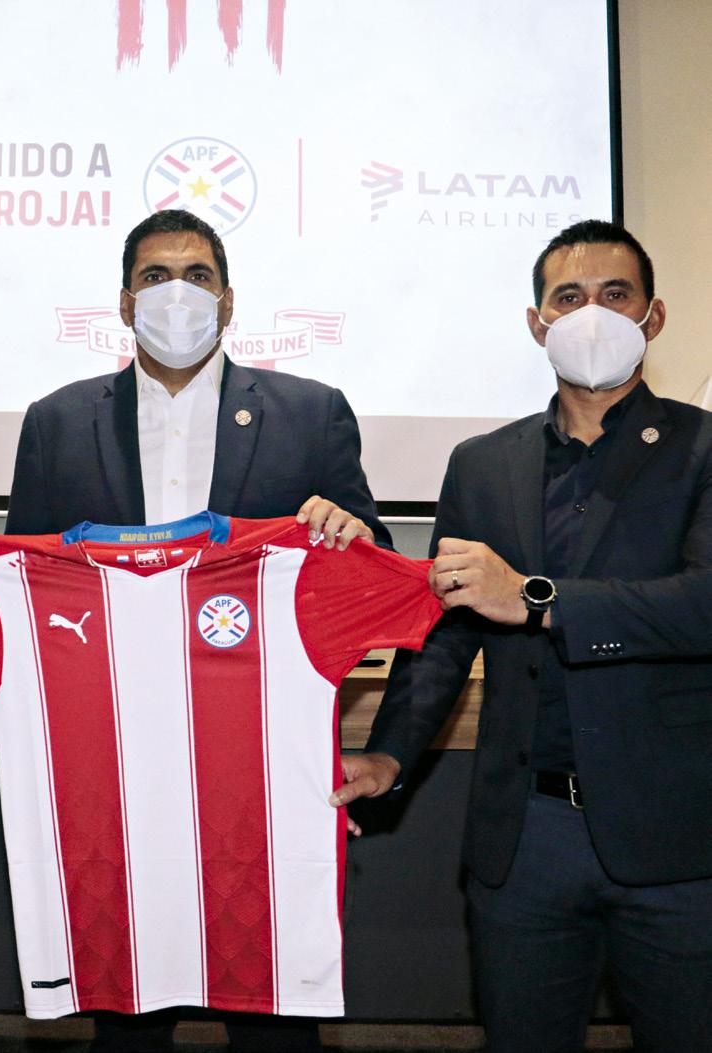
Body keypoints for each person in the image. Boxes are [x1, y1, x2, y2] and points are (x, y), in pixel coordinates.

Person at [6, 209, 389, 1052]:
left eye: (196, 275)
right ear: (122, 302)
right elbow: (28, 589)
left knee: (271, 1017)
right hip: (111, 765)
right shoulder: (56, 421)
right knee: (128, 1014)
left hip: (256, 765)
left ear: (227, 300)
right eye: (154, 276)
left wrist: (349, 535)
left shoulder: (310, 412)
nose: (175, 293)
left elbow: (368, 571)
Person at [332, 219, 712, 1053]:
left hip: (677, 840)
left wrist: (537, 598)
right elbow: (443, 631)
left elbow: (701, 603)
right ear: (537, 323)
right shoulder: (481, 462)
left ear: (652, 316)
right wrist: (389, 754)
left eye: (614, 294)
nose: (591, 313)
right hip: (524, 839)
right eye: (568, 297)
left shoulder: (702, 448)